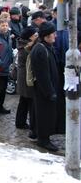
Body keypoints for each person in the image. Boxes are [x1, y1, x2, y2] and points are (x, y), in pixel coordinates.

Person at [30, 22, 59, 151]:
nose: (55, 36)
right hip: (44, 90)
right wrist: (49, 91)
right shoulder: (40, 49)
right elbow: (42, 74)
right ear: (47, 35)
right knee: (44, 114)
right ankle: (43, 139)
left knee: (42, 112)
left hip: (46, 89)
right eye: (53, 33)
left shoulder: (45, 47)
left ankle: (38, 133)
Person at [15, 27, 38, 134]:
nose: (36, 36)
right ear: (30, 37)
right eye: (35, 34)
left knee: (24, 101)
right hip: (25, 77)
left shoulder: (24, 44)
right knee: (27, 101)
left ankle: (20, 122)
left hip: (23, 76)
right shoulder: (26, 47)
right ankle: (21, 122)